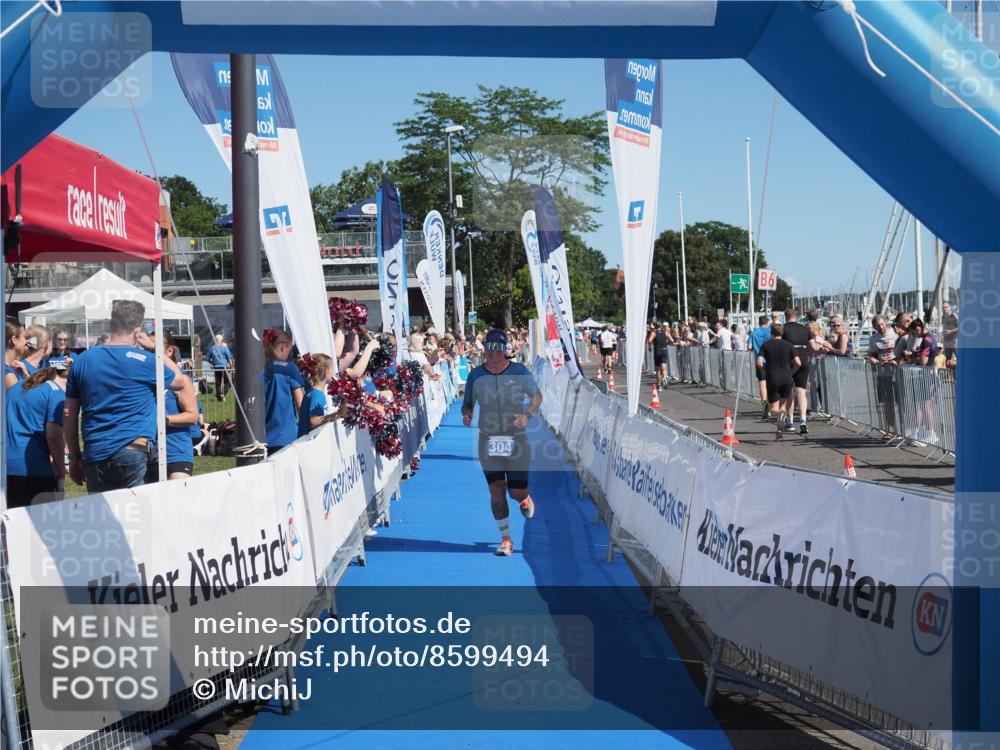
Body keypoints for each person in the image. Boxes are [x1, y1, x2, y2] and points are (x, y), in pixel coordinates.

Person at [64, 300, 197, 492]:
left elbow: (69, 412)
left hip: (95, 450)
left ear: (111, 324)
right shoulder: (145, 361)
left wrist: (74, 457)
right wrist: (154, 348)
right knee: (137, 514)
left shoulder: (83, 360)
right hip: (133, 450)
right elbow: (179, 380)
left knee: (103, 517)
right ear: (138, 329)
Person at [461, 329, 543, 557]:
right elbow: (467, 403)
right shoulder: (476, 375)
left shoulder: (518, 371)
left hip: (516, 439)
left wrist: (527, 415)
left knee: (516, 491)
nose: (493, 352)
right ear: (484, 348)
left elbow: (537, 396)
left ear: (505, 349)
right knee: (496, 490)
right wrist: (466, 414)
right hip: (489, 440)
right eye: (490, 347)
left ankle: (524, 498)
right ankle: (506, 539)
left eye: (498, 348)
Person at [5, 361, 69, 506]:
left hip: (6, 467)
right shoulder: (55, 392)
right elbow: (54, 436)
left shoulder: (16, 388)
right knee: (38, 525)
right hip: (34, 469)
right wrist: (60, 470)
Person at [163, 332, 200, 480]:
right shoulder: (144, 381)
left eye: (153, 350)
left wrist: (164, 420)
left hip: (176, 453)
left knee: (175, 501)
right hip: (148, 454)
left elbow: (192, 416)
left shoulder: (182, 381)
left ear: (169, 351)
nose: (148, 355)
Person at [263, 329, 306, 454]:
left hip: (259, 436)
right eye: (290, 349)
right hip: (285, 436)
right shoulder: (290, 368)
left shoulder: (259, 367)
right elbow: (300, 403)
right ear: (283, 347)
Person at [757, 323, 801, 440]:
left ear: (771, 333)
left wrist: (764, 370)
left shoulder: (766, 345)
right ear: (782, 333)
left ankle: (780, 420)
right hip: (787, 378)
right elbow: (798, 363)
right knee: (782, 406)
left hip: (773, 378)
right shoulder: (789, 345)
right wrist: (792, 372)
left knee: (773, 409)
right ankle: (779, 431)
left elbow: (759, 362)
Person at [780, 308, 814, 434]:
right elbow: (814, 346)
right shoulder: (806, 329)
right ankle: (803, 420)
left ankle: (790, 422)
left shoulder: (783, 329)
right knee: (801, 392)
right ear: (797, 317)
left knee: (789, 392)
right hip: (804, 360)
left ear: (785, 316)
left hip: (789, 362)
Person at [867, 314, 899, 441]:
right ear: (874, 327)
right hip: (883, 373)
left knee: (901, 402)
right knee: (888, 403)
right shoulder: (873, 339)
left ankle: (904, 430)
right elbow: (872, 355)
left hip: (896, 372)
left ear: (885, 323)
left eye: (882, 324)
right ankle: (890, 429)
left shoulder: (894, 334)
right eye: (877, 326)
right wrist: (873, 360)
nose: (881, 328)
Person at [298, 354, 343, 437]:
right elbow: (313, 421)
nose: (333, 372)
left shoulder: (311, 391)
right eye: (332, 369)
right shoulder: (316, 395)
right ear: (326, 372)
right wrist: (337, 414)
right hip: (309, 445)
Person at [747, 315, 772, 417]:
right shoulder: (771, 331)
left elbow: (749, 347)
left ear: (759, 323)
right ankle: (772, 404)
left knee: (762, 383)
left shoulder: (754, 333)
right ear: (767, 323)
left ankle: (764, 404)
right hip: (771, 360)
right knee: (771, 383)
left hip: (759, 361)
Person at [206, 333, 234, 401]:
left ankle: (219, 397)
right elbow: (229, 358)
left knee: (218, 383)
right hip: (225, 367)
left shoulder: (212, 348)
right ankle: (223, 393)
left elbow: (207, 358)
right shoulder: (224, 348)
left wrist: (212, 363)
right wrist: (231, 367)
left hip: (216, 367)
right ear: (221, 340)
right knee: (228, 382)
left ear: (215, 340)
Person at [649, 322, 675, 388]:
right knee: (664, 365)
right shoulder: (665, 333)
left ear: (655, 327)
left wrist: (650, 347)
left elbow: (649, 340)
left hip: (657, 351)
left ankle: (659, 385)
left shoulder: (654, 333)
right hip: (664, 350)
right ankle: (664, 378)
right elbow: (672, 340)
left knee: (657, 369)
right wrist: (666, 343)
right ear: (661, 327)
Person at [4, 321, 28, 390]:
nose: (26, 342)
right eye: (24, 337)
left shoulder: (13, 368)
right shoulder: (8, 375)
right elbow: (27, 399)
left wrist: (26, 374)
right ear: (14, 339)